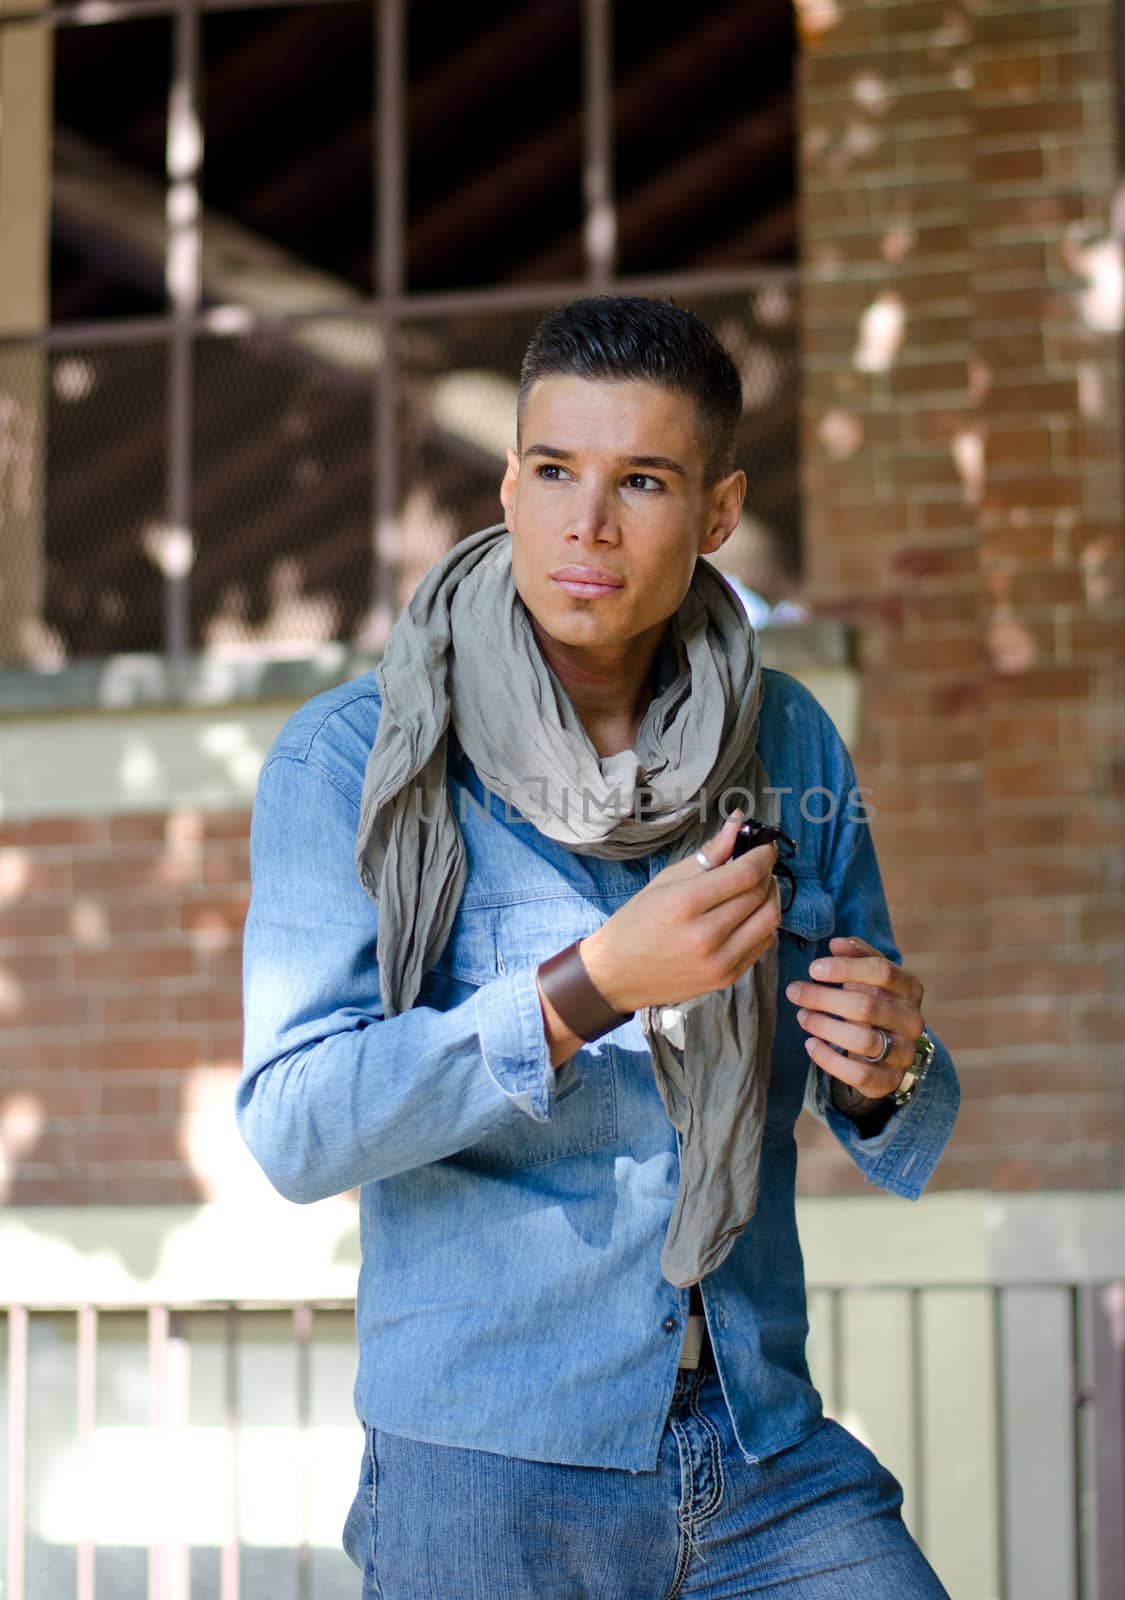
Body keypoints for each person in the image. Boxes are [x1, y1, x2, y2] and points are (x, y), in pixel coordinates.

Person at [237, 295, 959, 1598]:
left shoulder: (785, 741)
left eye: (642, 481)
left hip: (760, 1444)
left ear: (720, 514)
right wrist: (591, 988)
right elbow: (295, 1126)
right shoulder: (353, 757)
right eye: (557, 472)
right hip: (489, 1468)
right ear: (509, 486)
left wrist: (885, 1066)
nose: (589, 523)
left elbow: (884, 1068)